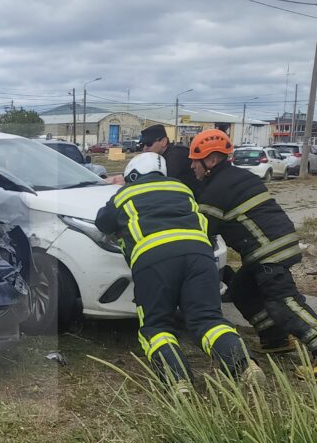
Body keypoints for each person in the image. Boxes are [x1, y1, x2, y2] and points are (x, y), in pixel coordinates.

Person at [189, 129, 317, 382]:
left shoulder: (215, 190)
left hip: (267, 250)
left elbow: (201, 233)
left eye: (194, 161)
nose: (192, 166)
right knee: (241, 289)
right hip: (277, 243)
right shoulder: (237, 176)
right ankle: (274, 339)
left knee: (281, 300)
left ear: (210, 161)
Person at [95, 152, 262, 389]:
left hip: (154, 260)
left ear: (133, 174)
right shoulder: (182, 188)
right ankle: (244, 365)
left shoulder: (125, 193)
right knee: (209, 320)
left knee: (156, 326)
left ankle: (178, 380)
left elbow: (103, 222)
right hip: (199, 257)